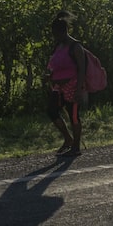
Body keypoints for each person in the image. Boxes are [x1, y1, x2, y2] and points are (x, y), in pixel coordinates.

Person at [45, 16, 87, 155]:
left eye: (57, 34)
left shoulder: (76, 47)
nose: (55, 37)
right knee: (51, 111)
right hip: (58, 87)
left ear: (64, 32)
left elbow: (82, 69)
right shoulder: (58, 46)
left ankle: (76, 147)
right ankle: (68, 139)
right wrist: (49, 76)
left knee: (73, 116)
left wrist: (79, 90)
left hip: (72, 87)